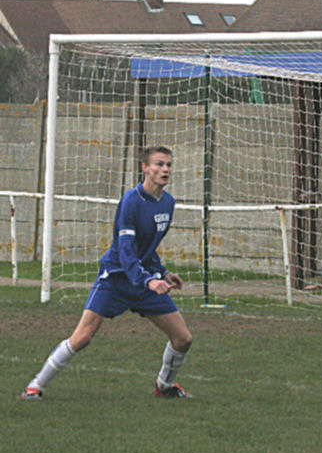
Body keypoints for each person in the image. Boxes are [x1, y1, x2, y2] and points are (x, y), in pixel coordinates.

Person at [20, 146, 194, 400]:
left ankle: (164, 386)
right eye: (159, 164)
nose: (165, 169)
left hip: (145, 281)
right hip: (116, 278)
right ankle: (34, 387)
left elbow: (147, 247)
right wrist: (148, 280)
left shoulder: (168, 203)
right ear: (145, 168)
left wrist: (162, 273)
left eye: (168, 164)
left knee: (183, 339)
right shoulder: (130, 201)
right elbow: (125, 249)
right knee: (82, 338)